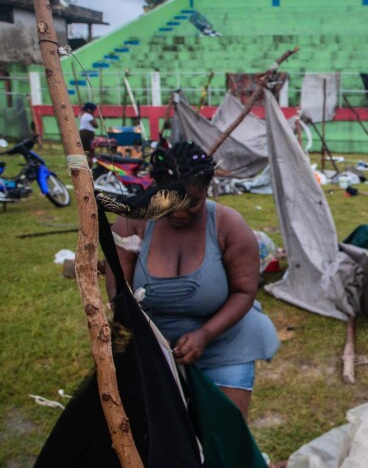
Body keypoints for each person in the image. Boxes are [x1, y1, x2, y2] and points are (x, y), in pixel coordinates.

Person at [108, 141, 279, 418]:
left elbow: (244, 292)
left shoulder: (229, 226)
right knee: (157, 440)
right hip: (153, 349)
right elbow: (119, 293)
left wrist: (205, 334)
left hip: (224, 343)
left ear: (207, 189)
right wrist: (140, 344)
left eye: (193, 203)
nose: (179, 213)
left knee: (223, 438)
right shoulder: (132, 223)